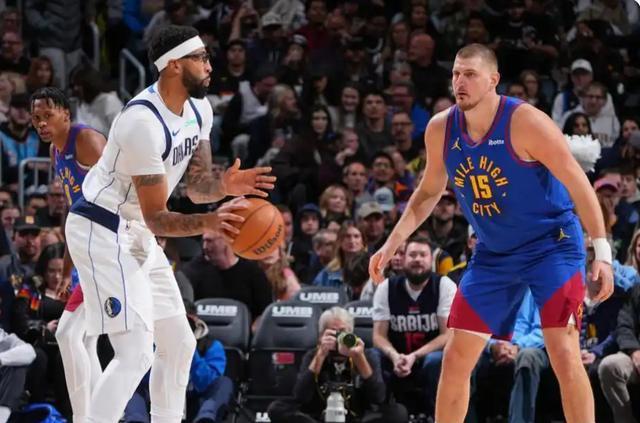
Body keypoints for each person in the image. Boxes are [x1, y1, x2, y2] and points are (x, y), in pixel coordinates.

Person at [369, 43, 614, 423]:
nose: (459, 82)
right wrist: (391, 244)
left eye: (469, 74)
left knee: (564, 351)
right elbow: (428, 193)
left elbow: (579, 184)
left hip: (551, 245)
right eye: (455, 73)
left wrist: (603, 254)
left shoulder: (525, 121)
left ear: (493, 80)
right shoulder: (441, 128)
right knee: (455, 357)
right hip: (495, 253)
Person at [64, 25, 275, 423]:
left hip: (135, 230)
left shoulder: (200, 109)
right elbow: (158, 217)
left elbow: (197, 186)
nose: (210, 66)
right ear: (174, 65)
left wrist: (224, 186)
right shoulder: (140, 122)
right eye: (202, 58)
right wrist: (212, 222)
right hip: (100, 227)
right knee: (135, 352)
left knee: (179, 343)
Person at [30, 86, 107, 423]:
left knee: (69, 334)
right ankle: (98, 416)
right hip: (85, 248)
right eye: (36, 118)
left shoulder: (86, 141)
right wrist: (66, 271)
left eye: (48, 115)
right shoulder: (55, 152)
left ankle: (88, 416)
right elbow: (74, 214)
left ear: (66, 114)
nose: (41, 123)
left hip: (109, 247)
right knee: (84, 340)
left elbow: (125, 192)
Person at [267, 306, 408, 423]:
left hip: (357, 416)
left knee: (399, 413)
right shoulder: (313, 355)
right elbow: (300, 396)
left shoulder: (366, 355)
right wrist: (321, 355)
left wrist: (358, 357)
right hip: (319, 416)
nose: (338, 338)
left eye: (343, 333)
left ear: (351, 334)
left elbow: (378, 397)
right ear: (321, 336)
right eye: (333, 333)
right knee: (277, 408)